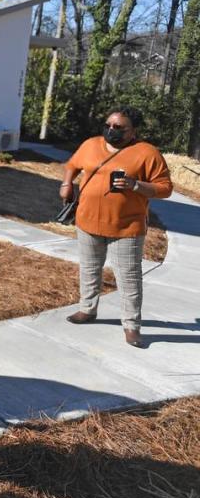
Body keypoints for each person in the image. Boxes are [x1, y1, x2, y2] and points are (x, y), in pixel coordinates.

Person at [61, 106, 173, 348]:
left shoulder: (147, 153)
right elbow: (73, 164)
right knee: (90, 269)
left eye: (118, 128)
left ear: (133, 131)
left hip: (126, 227)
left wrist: (135, 185)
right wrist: (66, 184)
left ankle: (132, 326)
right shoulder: (91, 144)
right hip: (88, 221)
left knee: (128, 278)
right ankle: (87, 310)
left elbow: (165, 188)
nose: (111, 130)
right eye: (108, 125)